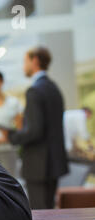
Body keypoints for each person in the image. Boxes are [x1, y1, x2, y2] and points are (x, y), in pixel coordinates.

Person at [7, 47, 69, 209]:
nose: (23, 66)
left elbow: (34, 130)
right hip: (54, 162)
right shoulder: (54, 88)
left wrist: (11, 136)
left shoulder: (34, 91)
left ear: (34, 61)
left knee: (41, 214)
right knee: (50, 211)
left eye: (24, 61)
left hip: (38, 163)